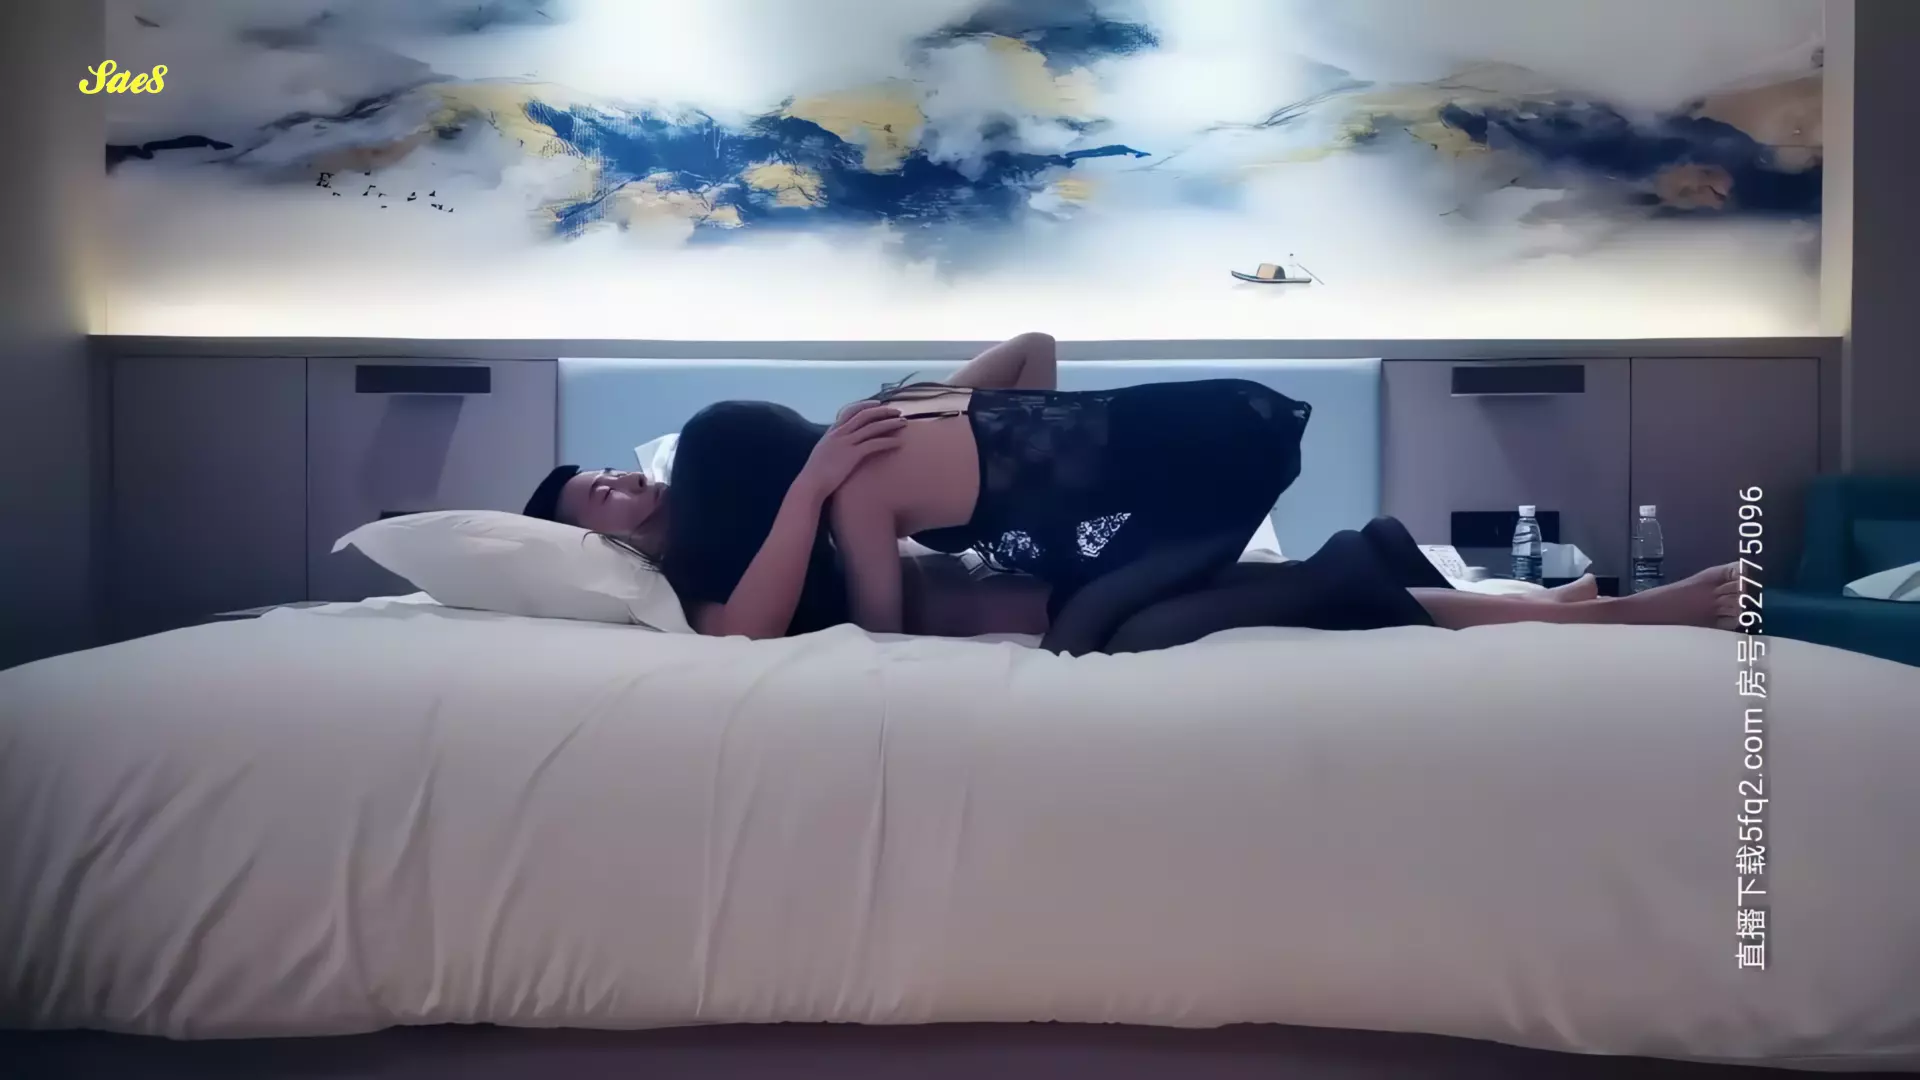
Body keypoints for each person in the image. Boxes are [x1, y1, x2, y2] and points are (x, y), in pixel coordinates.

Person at [523, 333, 1744, 650]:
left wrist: (1004, 469)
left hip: (1074, 580)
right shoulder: (700, 588)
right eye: (596, 498)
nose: (620, 481)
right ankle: (1588, 612)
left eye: (612, 471)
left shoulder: (864, 477)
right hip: (1068, 607)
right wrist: (822, 488)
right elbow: (751, 636)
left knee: (1299, 594)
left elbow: (1030, 354)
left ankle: (1589, 612)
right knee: (1302, 594)